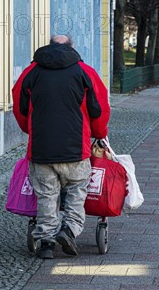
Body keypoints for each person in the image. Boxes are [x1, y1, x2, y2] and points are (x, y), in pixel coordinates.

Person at [12, 35, 110, 259]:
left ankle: (46, 241)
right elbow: (99, 107)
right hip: (76, 148)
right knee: (77, 190)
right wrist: (99, 133)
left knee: (46, 195)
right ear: (72, 47)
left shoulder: (31, 72)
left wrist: (31, 130)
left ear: (49, 45)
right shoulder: (85, 72)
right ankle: (69, 230)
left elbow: (20, 106)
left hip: (41, 148)